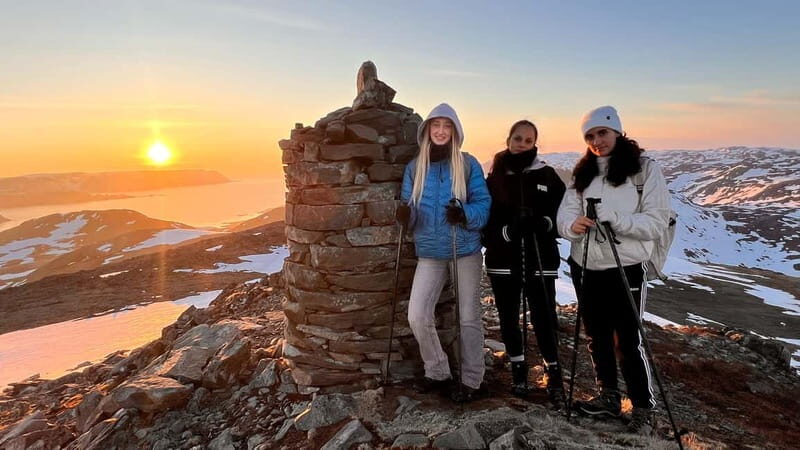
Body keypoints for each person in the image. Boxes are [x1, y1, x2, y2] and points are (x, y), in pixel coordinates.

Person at [556, 106, 671, 434]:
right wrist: (571, 226)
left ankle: (643, 409)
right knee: (597, 336)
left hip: (627, 266)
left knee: (628, 340)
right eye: (590, 136)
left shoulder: (644, 170)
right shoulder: (583, 172)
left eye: (602, 133)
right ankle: (608, 396)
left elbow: (657, 221)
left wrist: (616, 219)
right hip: (585, 264)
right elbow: (565, 213)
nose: (597, 141)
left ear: (617, 131)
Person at [395, 103, 491, 402]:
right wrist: (406, 216)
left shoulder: (467, 164)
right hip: (430, 252)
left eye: (447, 126)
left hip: (464, 250)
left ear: (455, 131)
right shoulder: (415, 168)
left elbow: (483, 204)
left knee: (468, 318)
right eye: (436, 125)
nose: (440, 131)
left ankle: (472, 380)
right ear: (427, 130)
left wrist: (464, 214)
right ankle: (437, 370)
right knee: (417, 315)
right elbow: (410, 208)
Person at [482, 120, 567, 406]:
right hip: (503, 259)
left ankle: (553, 374)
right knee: (508, 317)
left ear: (534, 144)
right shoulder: (494, 176)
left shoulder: (548, 175)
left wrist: (544, 224)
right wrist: (508, 231)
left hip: (541, 258)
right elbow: (485, 219)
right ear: (509, 140)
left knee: (544, 317)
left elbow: (563, 215)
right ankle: (518, 371)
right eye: (518, 139)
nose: (522, 144)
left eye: (528, 141)